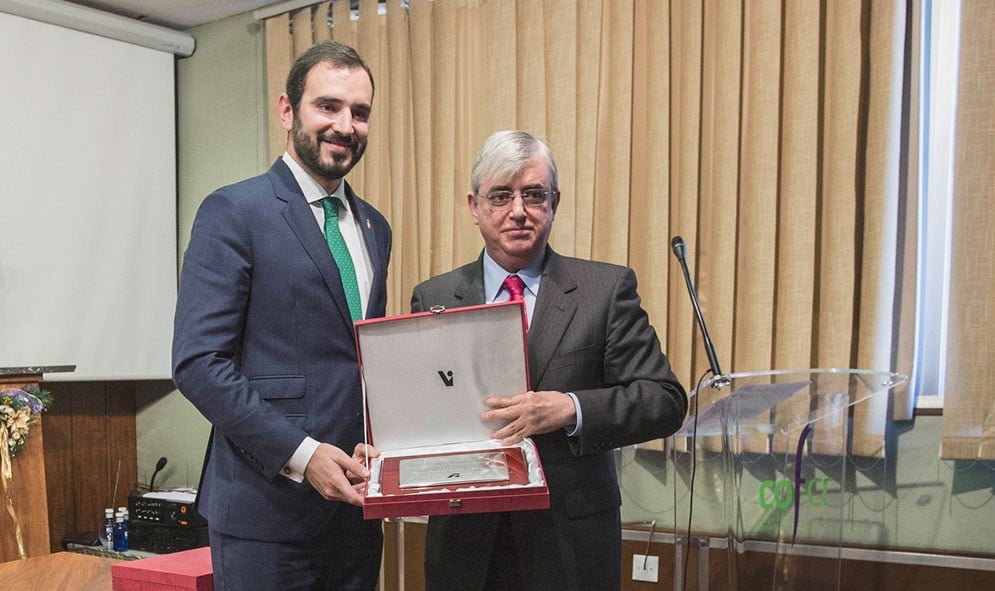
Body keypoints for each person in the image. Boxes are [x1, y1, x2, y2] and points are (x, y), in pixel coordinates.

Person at [409, 130, 688, 590]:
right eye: (500, 195)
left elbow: (664, 399)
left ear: (554, 202)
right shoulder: (436, 296)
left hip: (571, 541)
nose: (518, 210)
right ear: (474, 207)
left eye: (533, 195)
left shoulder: (605, 290)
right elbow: (424, 409)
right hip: (465, 543)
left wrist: (570, 409)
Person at [172, 40, 391, 591]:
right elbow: (199, 363)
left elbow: (361, 362)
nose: (345, 125)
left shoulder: (375, 227)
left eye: (359, 112)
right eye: (328, 106)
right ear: (287, 111)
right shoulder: (234, 211)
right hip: (264, 514)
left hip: (355, 513)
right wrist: (304, 455)